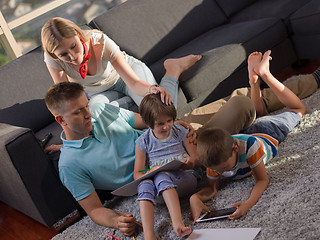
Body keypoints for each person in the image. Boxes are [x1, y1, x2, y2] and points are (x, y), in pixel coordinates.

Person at [44, 64, 201, 236]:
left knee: (226, 118)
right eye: (78, 112)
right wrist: (115, 221)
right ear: (61, 120)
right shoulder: (69, 165)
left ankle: (173, 71)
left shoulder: (100, 110)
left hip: (171, 140)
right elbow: (95, 210)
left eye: (86, 105)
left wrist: (177, 126)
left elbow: (147, 122)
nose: (88, 114)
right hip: (152, 177)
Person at [189, 50, 306, 222]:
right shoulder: (214, 160)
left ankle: (265, 74)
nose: (220, 173)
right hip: (245, 133)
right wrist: (195, 198)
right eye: (218, 170)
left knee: (299, 109)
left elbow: (262, 180)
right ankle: (254, 82)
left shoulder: (251, 149)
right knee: (259, 115)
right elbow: (211, 188)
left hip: (267, 133)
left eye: (222, 168)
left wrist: (248, 204)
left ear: (235, 148)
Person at [41, 17, 201, 109]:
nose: (73, 57)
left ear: (78, 34)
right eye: (64, 54)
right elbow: (67, 101)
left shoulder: (101, 43)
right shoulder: (53, 60)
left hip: (126, 77)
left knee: (162, 110)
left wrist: (151, 89)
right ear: (54, 54)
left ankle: (173, 69)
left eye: (74, 46)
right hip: (99, 93)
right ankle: (129, 100)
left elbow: (133, 81)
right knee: (95, 112)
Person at [134, 93, 201, 239]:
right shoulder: (142, 142)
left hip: (185, 179)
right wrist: (149, 172)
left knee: (161, 176)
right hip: (160, 191)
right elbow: (137, 175)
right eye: (160, 124)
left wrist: (189, 163)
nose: (166, 127)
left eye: (169, 121)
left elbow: (197, 159)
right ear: (148, 123)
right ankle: (149, 236)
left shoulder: (180, 132)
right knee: (144, 184)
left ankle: (178, 225)